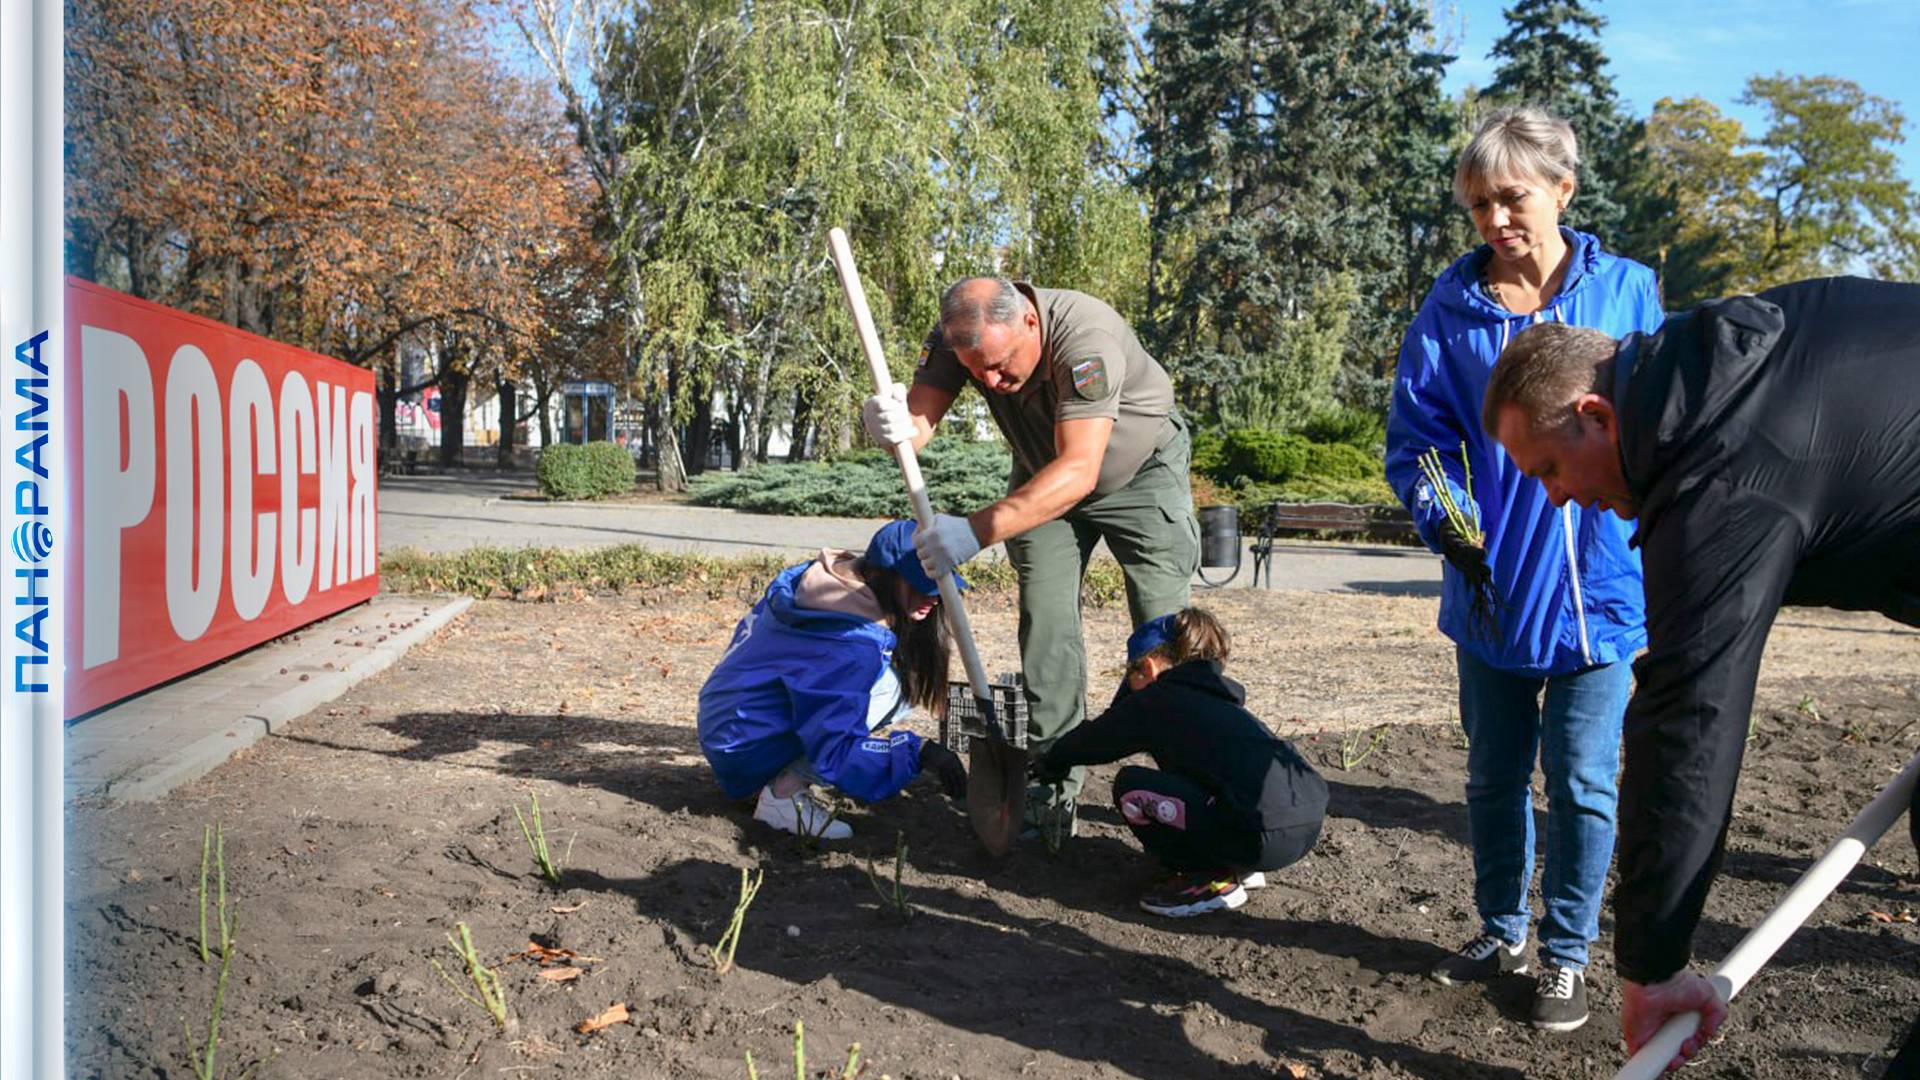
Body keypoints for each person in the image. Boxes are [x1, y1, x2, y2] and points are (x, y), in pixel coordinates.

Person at [1482, 276, 1920, 1072]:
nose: (1554, 500)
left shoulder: (1722, 474)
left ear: (1596, 417)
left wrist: (1649, 966)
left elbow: (1691, 719)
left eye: (1547, 468)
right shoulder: (1730, 360)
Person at [1383, 105, 1664, 1033]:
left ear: (1562, 190)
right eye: (1478, 206)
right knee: (1493, 776)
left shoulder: (1629, 294)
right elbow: (1420, 440)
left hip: (1604, 593)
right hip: (1493, 591)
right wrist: (1457, 533)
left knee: (1583, 779)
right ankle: (1501, 928)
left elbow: (1664, 426)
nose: (1497, 221)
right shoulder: (1450, 310)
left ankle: (1568, 955)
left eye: (1512, 199)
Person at [861, 277, 1199, 836]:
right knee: (1044, 624)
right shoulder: (959, 336)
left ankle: (1190, 778)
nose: (993, 382)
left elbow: (1080, 471)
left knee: (1164, 634)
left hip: (1140, 477)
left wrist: (973, 532)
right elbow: (917, 423)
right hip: (1043, 478)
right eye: (978, 373)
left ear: (1030, 323)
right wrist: (889, 423)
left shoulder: (1084, 341)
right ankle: (1051, 785)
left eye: (1000, 364)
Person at [1031, 609, 1327, 917]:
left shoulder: (1159, 699)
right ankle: (1239, 864)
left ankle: (1208, 878)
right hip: (1304, 825)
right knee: (1192, 782)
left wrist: (1051, 760)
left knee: (1130, 787)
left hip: (1260, 834)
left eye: (1130, 673)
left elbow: (1097, 740)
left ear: (1146, 666)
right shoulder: (1216, 700)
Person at [696, 520, 970, 840]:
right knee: (892, 690)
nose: (934, 596)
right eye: (920, 583)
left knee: (892, 682)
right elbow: (835, 746)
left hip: (729, 720)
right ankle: (783, 798)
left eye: (939, 583)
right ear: (883, 573)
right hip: (742, 746)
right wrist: (916, 753)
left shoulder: (821, 580)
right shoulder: (849, 644)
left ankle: (777, 774)